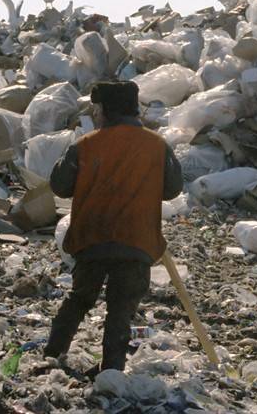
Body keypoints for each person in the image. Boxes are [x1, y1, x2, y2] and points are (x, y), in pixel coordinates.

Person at [43, 80, 182, 374]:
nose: (94, 114)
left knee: (79, 298)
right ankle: (112, 371)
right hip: (137, 241)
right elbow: (172, 190)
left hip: (92, 238)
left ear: (106, 109)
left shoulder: (86, 144)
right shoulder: (158, 146)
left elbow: (59, 186)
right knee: (121, 309)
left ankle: (51, 356)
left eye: (96, 108)